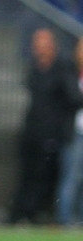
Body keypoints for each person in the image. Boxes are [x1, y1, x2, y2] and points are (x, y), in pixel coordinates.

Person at [9, 28, 82, 225]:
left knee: (54, 177)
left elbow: (73, 97)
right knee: (28, 174)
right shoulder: (34, 68)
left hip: (54, 132)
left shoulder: (63, 67)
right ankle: (21, 214)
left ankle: (45, 216)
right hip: (33, 129)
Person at [56, 36, 83, 225]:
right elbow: (73, 98)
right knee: (71, 178)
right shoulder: (69, 72)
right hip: (76, 133)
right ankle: (66, 220)